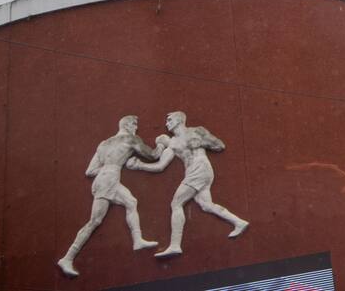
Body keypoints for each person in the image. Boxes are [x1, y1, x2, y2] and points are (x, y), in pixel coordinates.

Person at [127, 111, 248, 257]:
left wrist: (200, 142)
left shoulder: (196, 131)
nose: (167, 123)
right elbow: (160, 165)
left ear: (179, 120)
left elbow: (219, 145)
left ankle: (175, 245)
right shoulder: (172, 143)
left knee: (176, 203)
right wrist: (140, 165)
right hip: (194, 172)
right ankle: (239, 222)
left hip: (200, 168)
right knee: (206, 205)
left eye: (169, 120)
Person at [57, 115, 159, 278]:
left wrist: (109, 167)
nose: (136, 128)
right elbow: (153, 155)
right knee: (95, 221)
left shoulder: (104, 144)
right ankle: (67, 258)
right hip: (109, 179)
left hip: (103, 179)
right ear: (127, 125)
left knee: (131, 202)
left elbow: (89, 171)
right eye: (134, 125)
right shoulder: (131, 139)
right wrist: (162, 145)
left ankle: (137, 240)